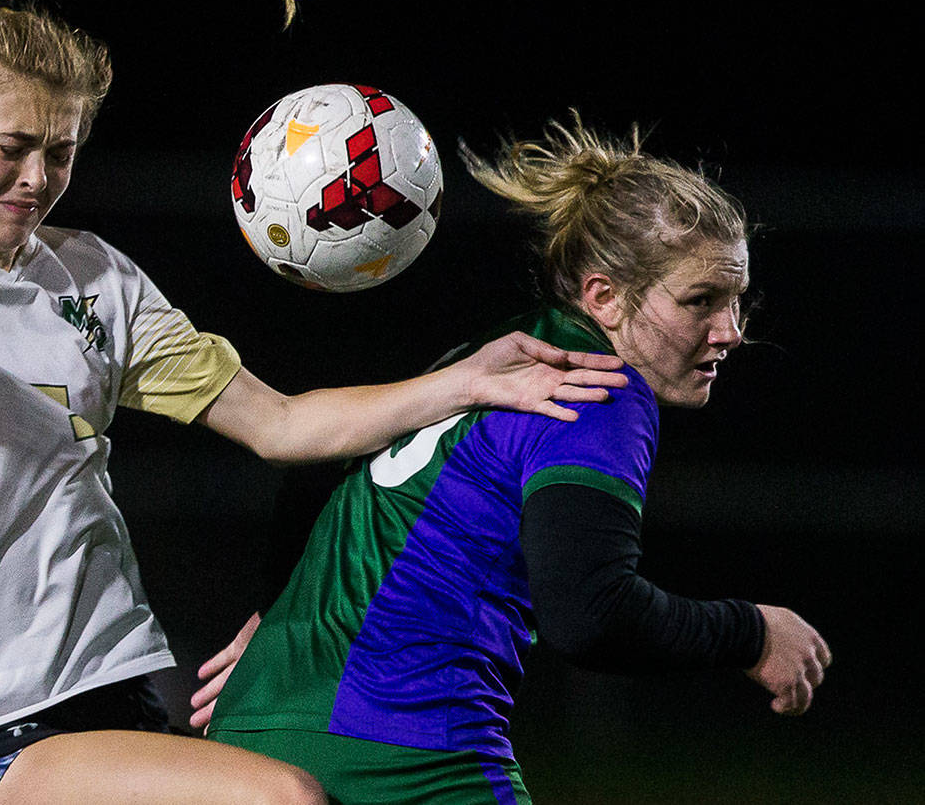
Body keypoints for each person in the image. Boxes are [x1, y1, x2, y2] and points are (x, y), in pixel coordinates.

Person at [0, 0, 630, 803]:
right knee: (281, 798)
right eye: (14, 148)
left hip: (117, 695)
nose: (39, 176)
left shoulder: (94, 276)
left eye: (62, 150)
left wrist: (468, 381)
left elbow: (279, 425)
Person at [196, 113, 834, 803]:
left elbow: (321, 462)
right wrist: (752, 632)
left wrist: (281, 612)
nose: (731, 332)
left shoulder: (488, 357)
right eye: (701, 301)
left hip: (251, 731)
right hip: (404, 753)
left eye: (737, 299)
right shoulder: (596, 389)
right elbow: (589, 612)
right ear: (605, 297)